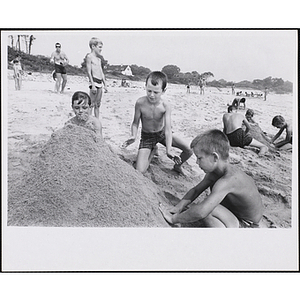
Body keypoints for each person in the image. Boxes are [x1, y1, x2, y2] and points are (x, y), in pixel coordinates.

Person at [158, 129, 264, 228]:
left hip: (248, 224)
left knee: (207, 210)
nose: (197, 162)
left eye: (199, 158)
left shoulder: (229, 180)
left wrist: (174, 218)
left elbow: (201, 212)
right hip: (235, 213)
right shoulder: (215, 172)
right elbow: (196, 190)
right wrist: (178, 207)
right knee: (205, 205)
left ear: (215, 157)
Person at [122, 71, 193, 174]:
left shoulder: (165, 106)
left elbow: (168, 130)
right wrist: (133, 136)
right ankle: (152, 151)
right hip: (147, 137)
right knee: (140, 171)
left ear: (163, 91)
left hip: (162, 134)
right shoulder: (140, 103)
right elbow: (135, 123)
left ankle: (178, 166)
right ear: (145, 86)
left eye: (156, 92)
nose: (151, 95)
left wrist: (168, 150)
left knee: (189, 150)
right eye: (149, 91)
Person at [85, 37, 108, 119]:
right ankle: (89, 120)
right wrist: (93, 85)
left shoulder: (99, 59)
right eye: (99, 47)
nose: (101, 49)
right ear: (93, 47)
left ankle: (97, 121)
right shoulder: (89, 57)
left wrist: (105, 84)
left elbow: (101, 72)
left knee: (98, 104)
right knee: (91, 103)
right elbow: (88, 71)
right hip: (94, 82)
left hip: (100, 82)